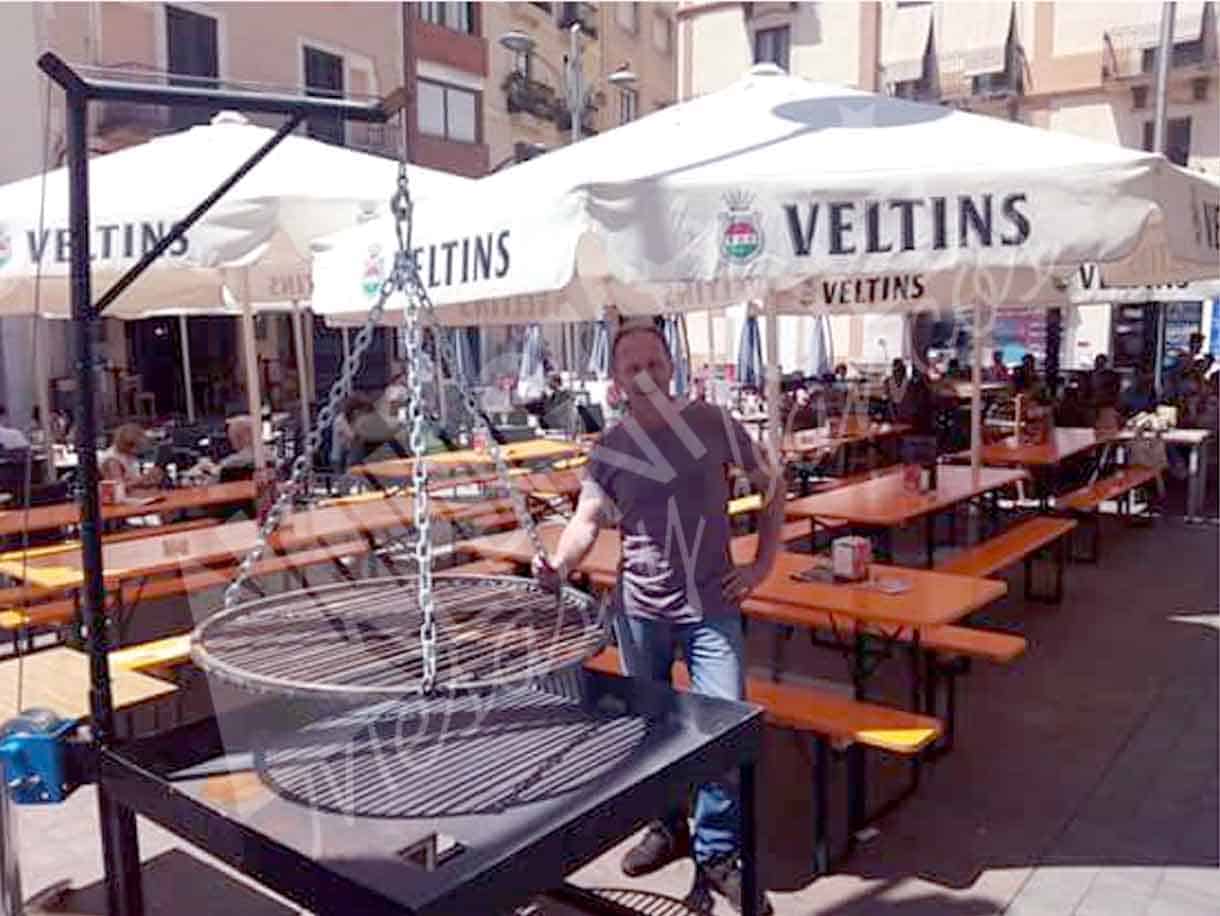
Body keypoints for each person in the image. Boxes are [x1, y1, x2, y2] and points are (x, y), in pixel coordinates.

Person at [533, 320, 781, 914]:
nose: (645, 375)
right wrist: (560, 565)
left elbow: (773, 482)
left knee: (722, 729)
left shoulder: (712, 423)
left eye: (654, 363)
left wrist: (761, 566)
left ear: (672, 367)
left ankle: (717, 852)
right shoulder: (610, 448)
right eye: (632, 367)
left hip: (711, 607)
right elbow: (586, 520)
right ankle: (667, 826)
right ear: (617, 381)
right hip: (639, 609)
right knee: (650, 730)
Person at [100, 423, 163, 490]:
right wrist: (141, 480)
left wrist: (149, 479)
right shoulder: (113, 461)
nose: (140, 449)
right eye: (138, 446)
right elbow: (117, 488)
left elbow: (133, 480)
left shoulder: (129, 455)